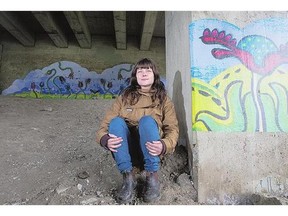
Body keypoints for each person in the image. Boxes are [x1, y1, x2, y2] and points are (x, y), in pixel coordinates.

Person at [96, 58, 179, 204]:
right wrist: (105, 139)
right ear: (135, 76)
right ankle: (128, 178)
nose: (144, 74)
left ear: (154, 75)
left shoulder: (164, 100)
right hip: (128, 151)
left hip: (151, 150)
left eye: (148, 70)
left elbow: (172, 129)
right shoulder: (124, 98)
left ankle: (152, 177)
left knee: (147, 121)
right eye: (140, 71)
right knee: (116, 122)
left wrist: (165, 144)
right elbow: (104, 126)